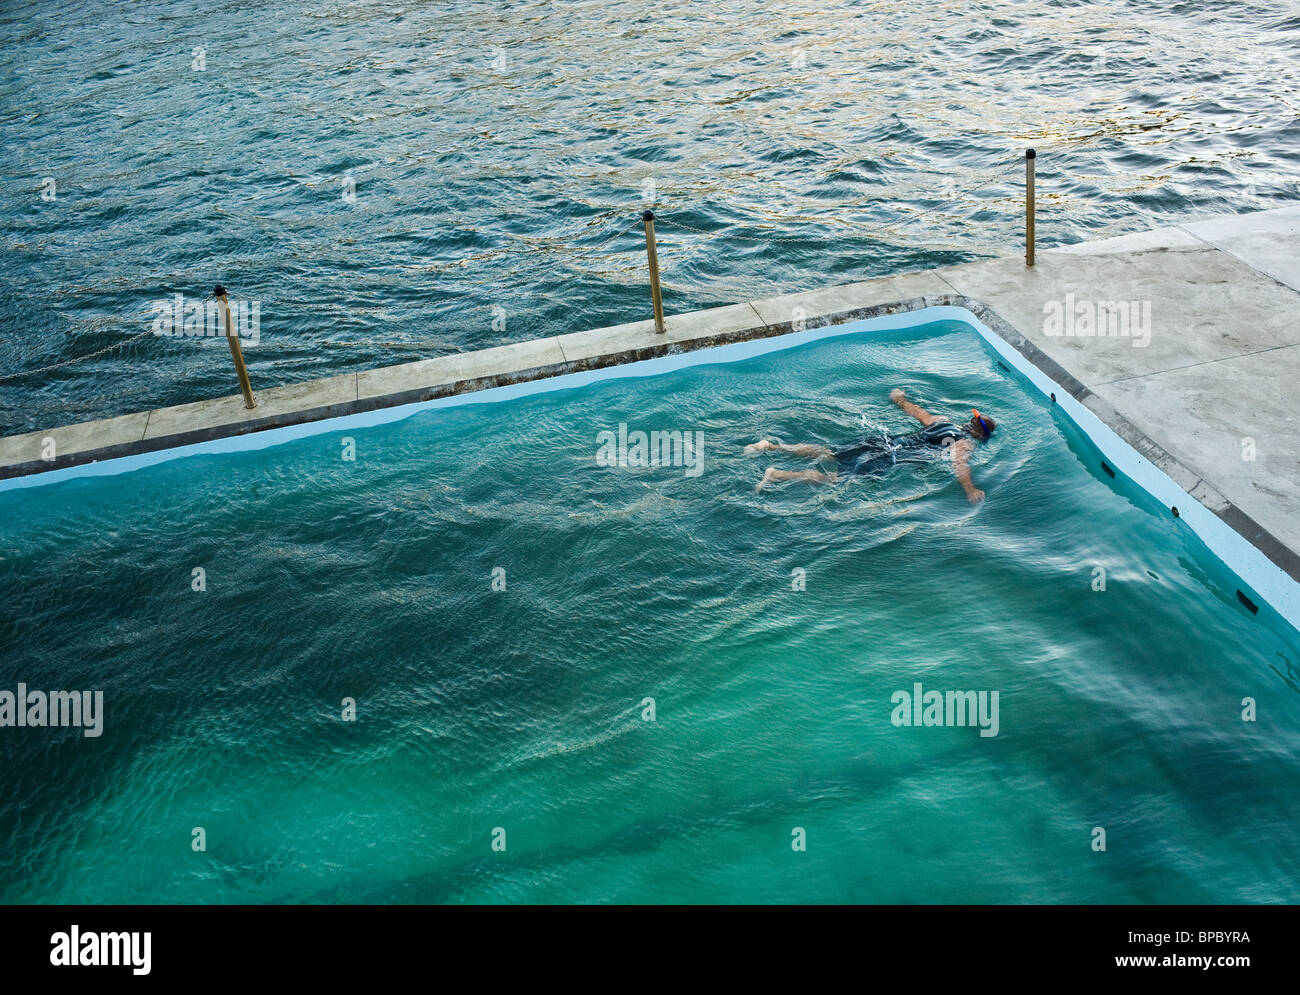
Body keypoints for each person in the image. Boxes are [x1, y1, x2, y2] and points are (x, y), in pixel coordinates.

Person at [746, 388, 996, 502]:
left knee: (829, 452)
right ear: (981, 436)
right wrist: (970, 489)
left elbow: (917, 413)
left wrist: (899, 399)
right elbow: (959, 463)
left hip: (883, 441)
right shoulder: (964, 443)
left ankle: (771, 447)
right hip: (890, 458)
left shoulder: (943, 421)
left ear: (971, 421)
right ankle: (777, 475)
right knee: (837, 478)